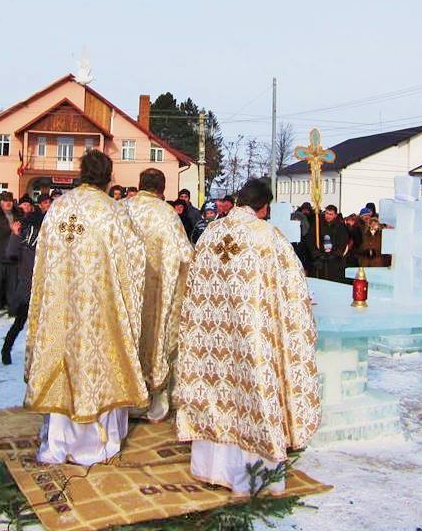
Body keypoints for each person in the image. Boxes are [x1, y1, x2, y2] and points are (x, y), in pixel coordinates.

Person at [174, 179, 320, 496]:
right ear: (264, 206)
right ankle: (252, 476)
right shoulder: (267, 237)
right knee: (252, 395)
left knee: (216, 392)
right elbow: (292, 291)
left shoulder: (211, 233)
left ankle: (211, 468)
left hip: (212, 340)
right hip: (252, 339)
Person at [24, 150, 147, 465]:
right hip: (98, 311)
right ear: (109, 178)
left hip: (59, 305)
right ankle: (94, 445)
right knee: (96, 367)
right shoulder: (112, 211)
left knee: (62, 366)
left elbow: (41, 261)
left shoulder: (58, 207)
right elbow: (133, 262)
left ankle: (58, 441)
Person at [123, 169, 193, 421]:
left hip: (125, 296)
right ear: (162, 190)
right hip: (157, 294)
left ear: (139, 185)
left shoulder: (122, 210)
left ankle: (126, 395)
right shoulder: (167, 215)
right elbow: (185, 256)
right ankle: (157, 397)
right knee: (156, 340)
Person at [0, 206, 42, 366]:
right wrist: (15, 235)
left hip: (39, 288)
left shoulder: (45, 242)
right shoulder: (23, 241)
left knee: (35, 324)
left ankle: (9, 350)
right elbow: (10, 254)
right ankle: (6, 349)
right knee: (20, 322)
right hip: (27, 288)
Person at [304, 204, 348, 281]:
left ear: (335, 215)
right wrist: (316, 254)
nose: (328, 216)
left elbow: (343, 243)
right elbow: (310, 240)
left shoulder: (340, 226)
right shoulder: (318, 224)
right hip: (320, 260)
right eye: (327, 213)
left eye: (331, 214)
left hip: (334, 262)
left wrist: (335, 255)